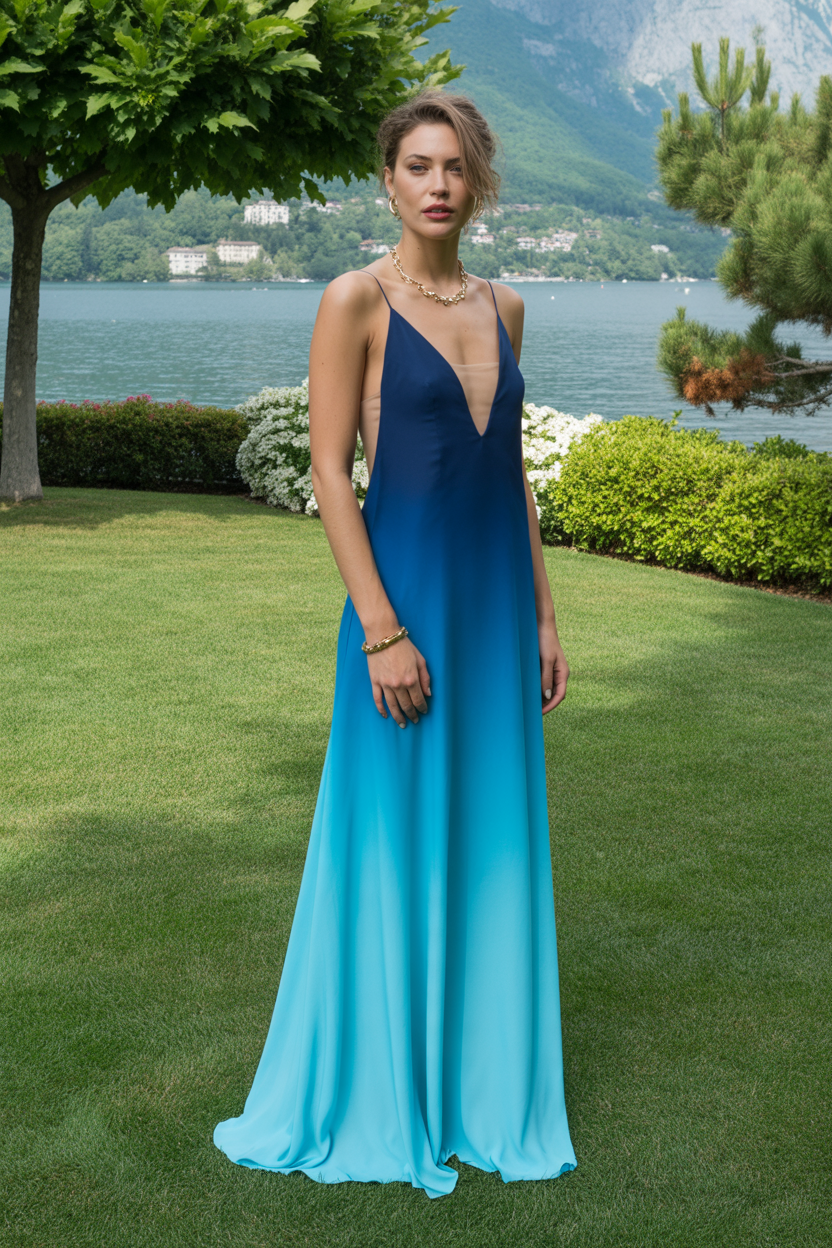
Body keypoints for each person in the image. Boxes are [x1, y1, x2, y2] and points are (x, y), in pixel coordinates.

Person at [214, 90, 577, 1198]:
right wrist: (380, 632)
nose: (436, 183)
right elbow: (331, 472)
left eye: (454, 167)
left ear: (477, 183)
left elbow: (506, 471)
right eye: (417, 164)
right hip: (402, 613)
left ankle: (480, 1092)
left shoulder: (507, 308)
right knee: (391, 843)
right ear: (387, 179)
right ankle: (379, 1090)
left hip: (492, 614)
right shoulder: (354, 300)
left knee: (490, 841)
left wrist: (547, 615)